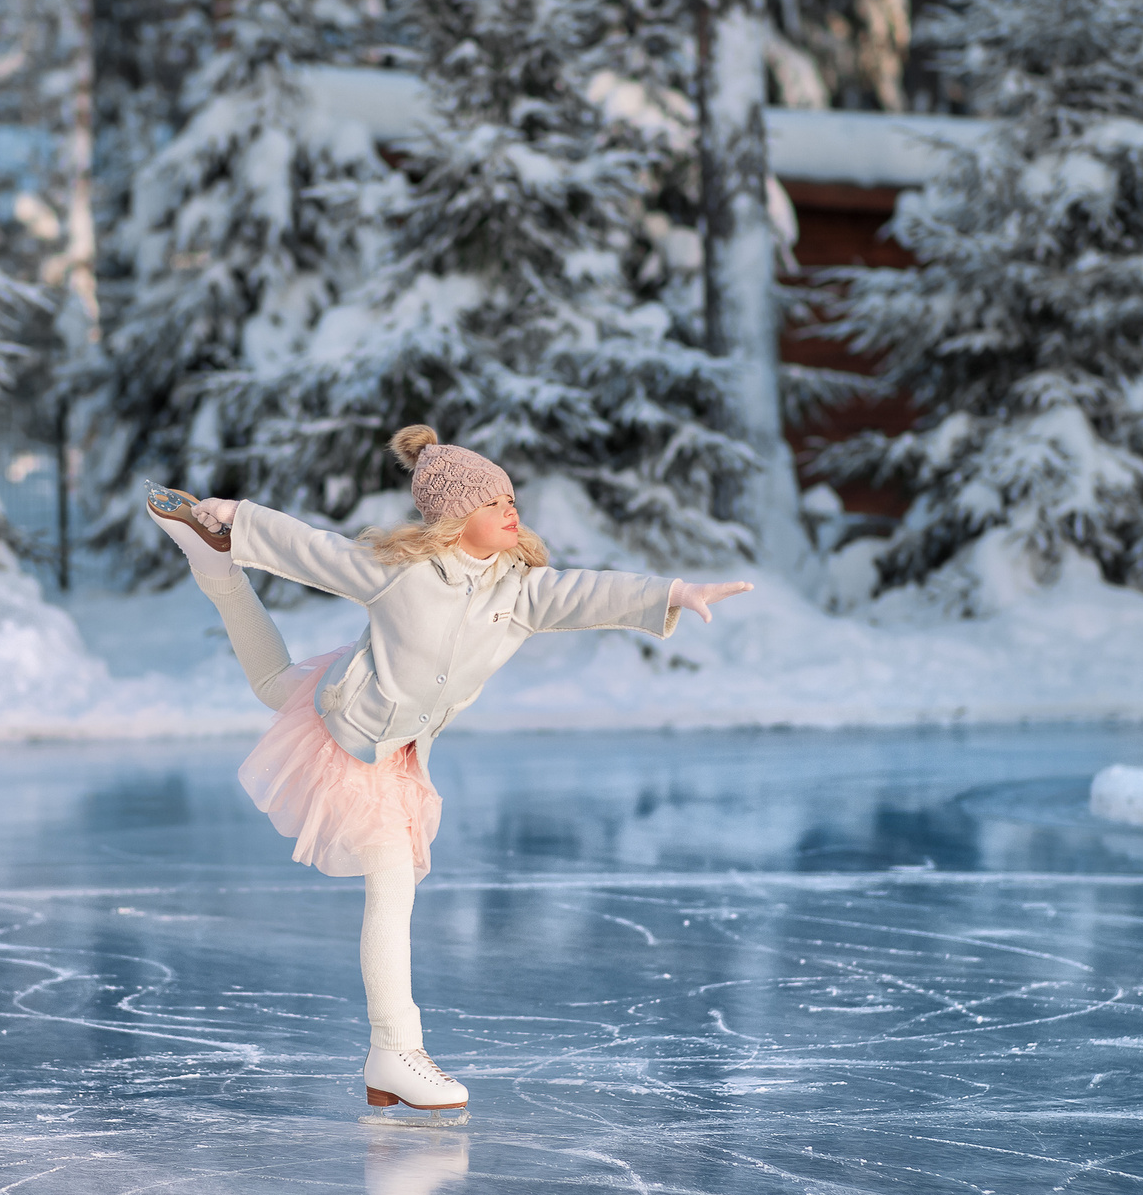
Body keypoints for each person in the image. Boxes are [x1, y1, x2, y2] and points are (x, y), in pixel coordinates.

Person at [145, 425, 754, 1112]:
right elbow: (315, 550)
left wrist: (671, 592)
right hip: (356, 736)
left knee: (276, 687)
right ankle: (394, 1048)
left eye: (510, 498)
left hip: (397, 742)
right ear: (457, 517)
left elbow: (588, 592)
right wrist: (242, 519)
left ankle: (216, 571)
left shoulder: (518, 592)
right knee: (391, 885)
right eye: (493, 502)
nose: (510, 511)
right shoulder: (401, 573)